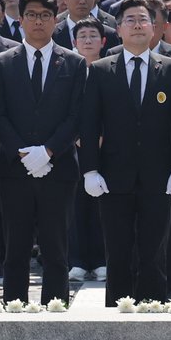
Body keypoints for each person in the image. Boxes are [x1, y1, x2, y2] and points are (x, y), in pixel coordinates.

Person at [82, 0, 171, 304]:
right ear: (118, 29)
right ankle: (118, 314)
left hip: (159, 176)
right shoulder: (101, 70)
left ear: (154, 28)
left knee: (154, 250)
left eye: (143, 19)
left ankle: (153, 311)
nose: (138, 25)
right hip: (114, 176)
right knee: (117, 251)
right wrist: (90, 170)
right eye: (130, 20)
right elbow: (89, 125)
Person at [0, 0, 88, 304]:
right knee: (15, 249)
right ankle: (14, 308)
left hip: (58, 168)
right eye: (32, 15)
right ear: (20, 20)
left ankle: (55, 311)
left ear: (55, 20)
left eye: (45, 15)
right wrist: (23, 153)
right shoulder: (3, 62)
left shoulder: (73, 62)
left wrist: (48, 151)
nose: (38, 21)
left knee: (56, 249)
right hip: (13, 169)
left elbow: (76, 115)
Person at [68, 18, 108, 282]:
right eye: (82, 36)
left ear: (103, 41)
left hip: (107, 147)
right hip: (75, 148)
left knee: (103, 205)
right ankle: (78, 261)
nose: (88, 40)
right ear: (74, 42)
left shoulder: (110, 69)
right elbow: (63, 108)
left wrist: (103, 137)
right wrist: (76, 137)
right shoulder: (69, 70)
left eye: (93, 36)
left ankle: (102, 260)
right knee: (76, 206)